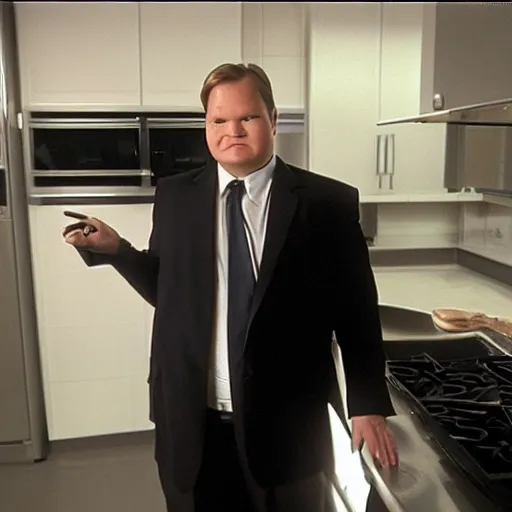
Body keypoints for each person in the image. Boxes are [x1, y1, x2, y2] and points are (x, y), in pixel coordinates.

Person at [62, 63, 398, 512]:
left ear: (273, 120)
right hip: (191, 422)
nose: (232, 130)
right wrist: (117, 250)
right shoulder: (177, 196)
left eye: (248, 118)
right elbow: (170, 292)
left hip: (288, 427)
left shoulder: (327, 203)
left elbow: (356, 309)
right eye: (219, 120)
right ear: (206, 125)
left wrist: (368, 402)